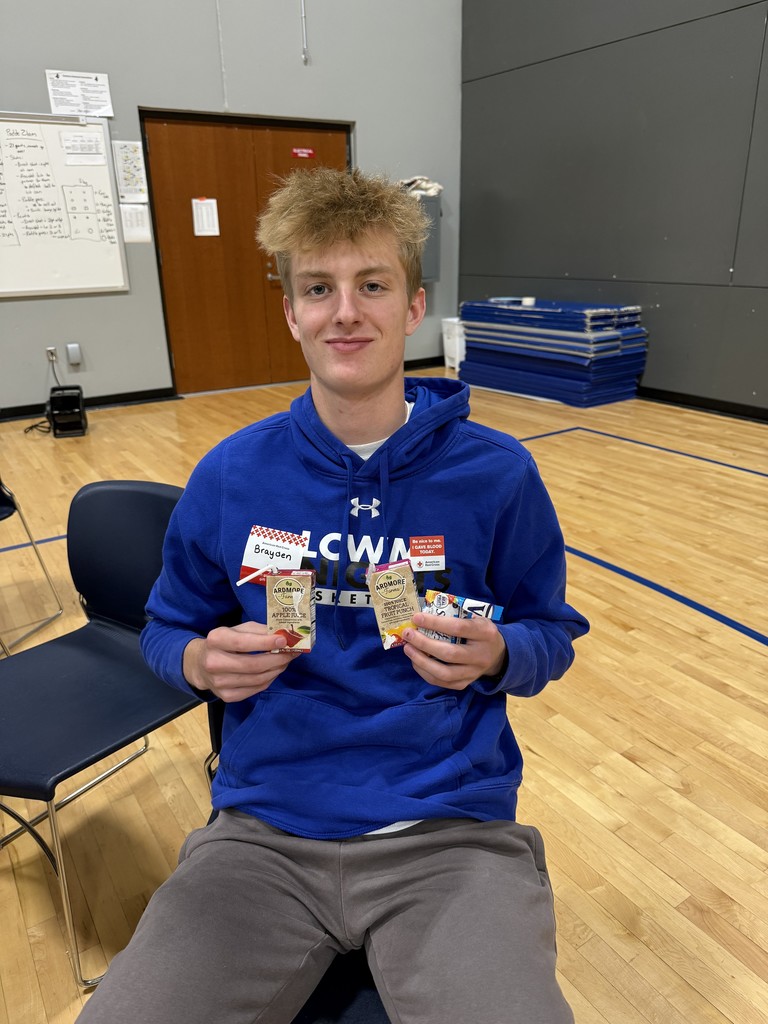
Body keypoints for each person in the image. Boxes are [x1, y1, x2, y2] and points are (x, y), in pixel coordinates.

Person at [77, 167, 589, 1024]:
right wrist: (202, 661)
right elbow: (166, 629)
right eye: (319, 288)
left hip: (448, 833)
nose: (345, 311)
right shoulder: (232, 473)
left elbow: (552, 633)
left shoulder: (498, 475)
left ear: (415, 305)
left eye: (372, 284)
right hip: (263, 836)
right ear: (291, 312)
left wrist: (502, 653)